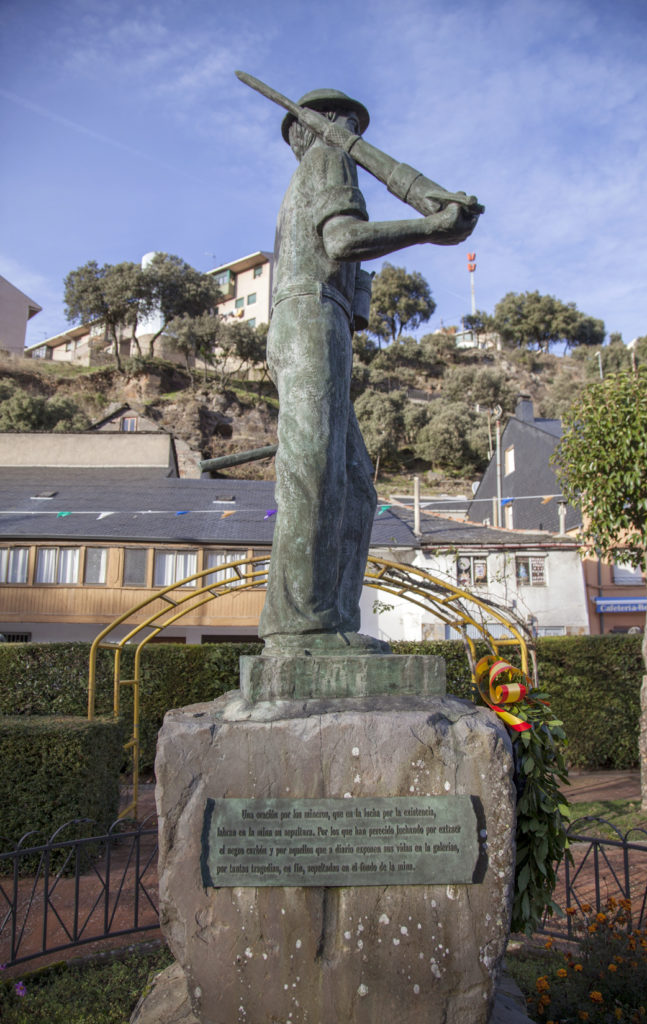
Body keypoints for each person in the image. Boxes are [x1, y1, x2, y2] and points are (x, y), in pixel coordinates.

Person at [259, 89, 478, 654]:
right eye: (350, 124)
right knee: (314, 469)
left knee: (354, 485)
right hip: (310, 314)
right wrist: (429, 227)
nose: (358, 136)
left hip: (317, 317)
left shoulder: (309, 177)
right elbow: (342, 238)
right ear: (325, 126)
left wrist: (362, 284)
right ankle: (302, 625)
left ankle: (331, 618)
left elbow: (348, 278)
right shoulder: (328, 160)